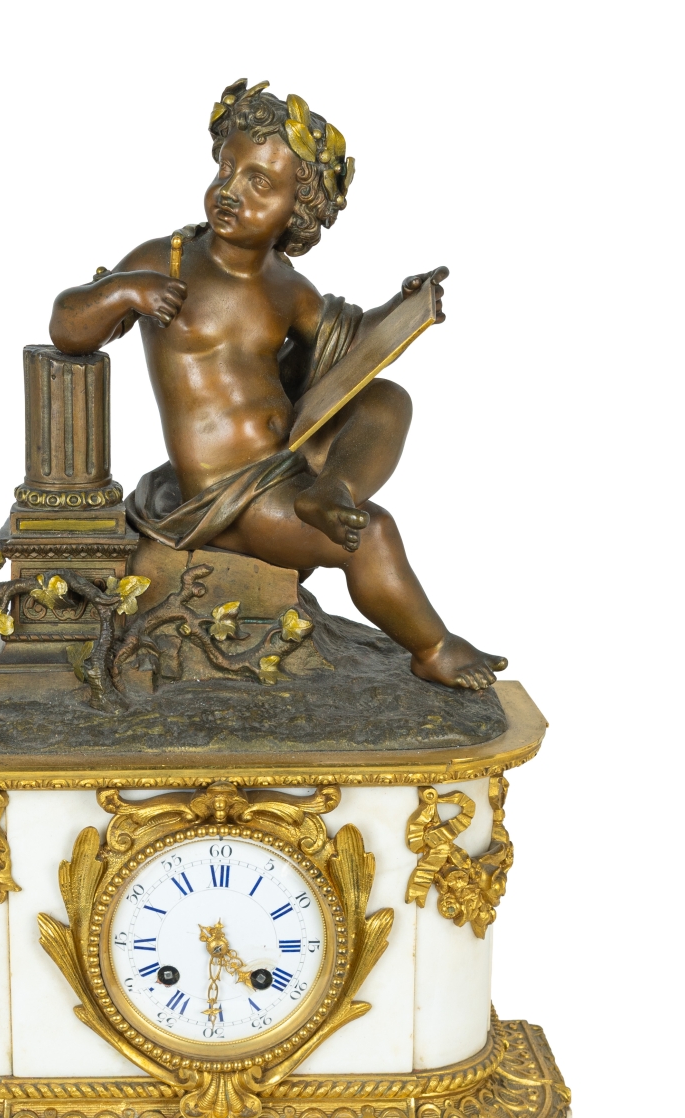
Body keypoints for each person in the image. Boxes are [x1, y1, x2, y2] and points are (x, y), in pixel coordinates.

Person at [48, 79, 503, 690]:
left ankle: (334, 488)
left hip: (285, 458)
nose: (230, 190)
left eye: (259, 183)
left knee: (386, 398)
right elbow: (67, 326)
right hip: (228, 497)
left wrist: (404, 310)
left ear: (297, 209)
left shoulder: (285, 284)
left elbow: (349, 348)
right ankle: (432, 647)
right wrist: (123, 291)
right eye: (227, 169)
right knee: (372, 534)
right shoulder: (167, 261)